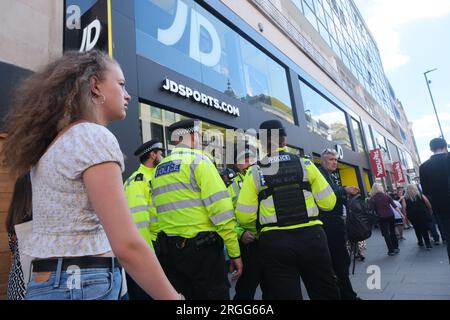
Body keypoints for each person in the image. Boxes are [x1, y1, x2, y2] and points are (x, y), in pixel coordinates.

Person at [0, 50, 181, 300]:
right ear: (95, 86)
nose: (128, 95)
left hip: (49, 283)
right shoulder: (92, 136)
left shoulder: (53, 145)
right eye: (120, 84)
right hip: (85, 284)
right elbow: (127, 245)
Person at [235, 120, 340, 300]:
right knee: (325, 291)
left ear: (262, 143)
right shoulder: (305, 164)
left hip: (275, 242)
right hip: (311, 236)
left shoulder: (255, 172)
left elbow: (244, 217)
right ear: (285, 139)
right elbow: (329, 203)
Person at [152, 119, 242, 300]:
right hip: (203, 254)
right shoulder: (199, 160)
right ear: (191, 136)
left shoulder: (159, 169)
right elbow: (222, 212)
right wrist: (235, 253)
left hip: (172, 252)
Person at [123, 139, 165, 300]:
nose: (163, 156)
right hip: (151, 248)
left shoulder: (156, 178)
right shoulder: (138, 180)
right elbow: (138, 221)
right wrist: (148, 255)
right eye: (160, 153)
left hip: (160, 245)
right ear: (152, 155)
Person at [318, 148, 360, 300]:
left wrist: (348, 194)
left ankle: (345, 293)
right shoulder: (320, 174)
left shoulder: (330, 176)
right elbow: (324, 196)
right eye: (331, 159)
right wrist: (344, 190)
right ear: (323, 161)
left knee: (341, 261)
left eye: (336, 160)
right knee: (339, 262)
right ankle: (347, 295)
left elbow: (334, 195)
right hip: (328, 225)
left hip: (334, 224)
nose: (334, 162)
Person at [230, 148, 262, 300]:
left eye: (253, 159)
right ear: (237, 165)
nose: (251, 163)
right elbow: (225, 218)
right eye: (246, 160)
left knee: (274, 287)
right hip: (249, 245)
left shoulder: (265, 177)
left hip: (270, 240)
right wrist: (240, 233)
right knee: (246, 290)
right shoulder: (231, 186)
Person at [420, 137, 450, 262]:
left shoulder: (424, 167)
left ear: (431, 149)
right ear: (445, 146)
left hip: (441, 208)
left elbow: (426, 191)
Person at [5, 173, 32, 300]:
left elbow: (12, 248)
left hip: (14, 284)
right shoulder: (37, 223)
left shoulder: (13, 220)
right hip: (29, 286)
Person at [368, 183, 399, 256]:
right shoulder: (386, 196)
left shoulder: (372, 199)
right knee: (392, 231)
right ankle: (396, 247)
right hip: (391, 215)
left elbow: (369, 208)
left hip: (381, 217)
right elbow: (394, 206)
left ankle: (391, 250)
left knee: (386, 234)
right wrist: (402, 214)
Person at [401, 184, 433, 250]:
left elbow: (404, 207)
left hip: (412, 215)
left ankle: (420, 242)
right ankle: (428, 244)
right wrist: (430, 210)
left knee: (416, 228)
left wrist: (405, 216)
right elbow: (427, 203)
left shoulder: (405, 197)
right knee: (424, 228)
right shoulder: (420, 195)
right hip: (422, 213)